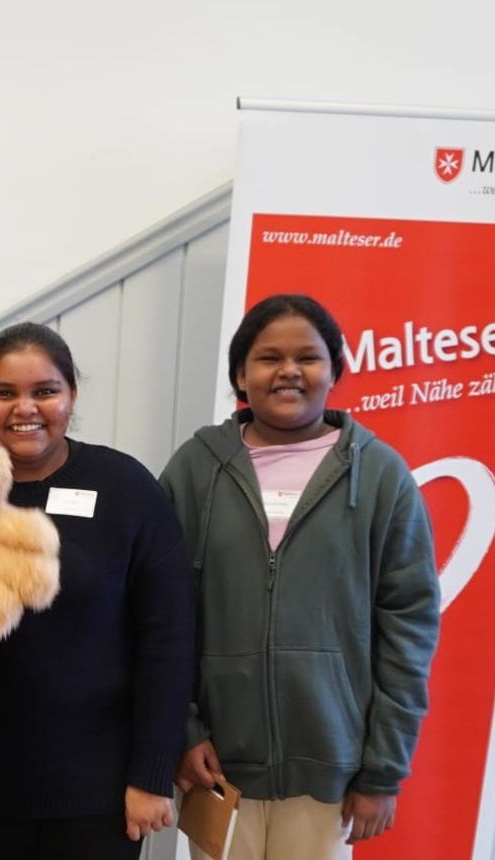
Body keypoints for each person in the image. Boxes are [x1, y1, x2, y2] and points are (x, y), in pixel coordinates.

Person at [160, 294, 441, 859]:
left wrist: (384, 769)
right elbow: (161, 614)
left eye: (307, 358)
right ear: (241, 374)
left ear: (335, 371)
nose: (288, 371)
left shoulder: (381, 474)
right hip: (216, 767)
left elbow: (409, 630)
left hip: (332, 770)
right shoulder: (194, 469)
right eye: (269, 358)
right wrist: (183, 733)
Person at [0, 322, 194, 859]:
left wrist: (151, 776)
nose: (24, 408)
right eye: (3, 393)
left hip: (99, 796)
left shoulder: (126, 487)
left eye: (45, 391)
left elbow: (168, 641)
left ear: (72, 396)